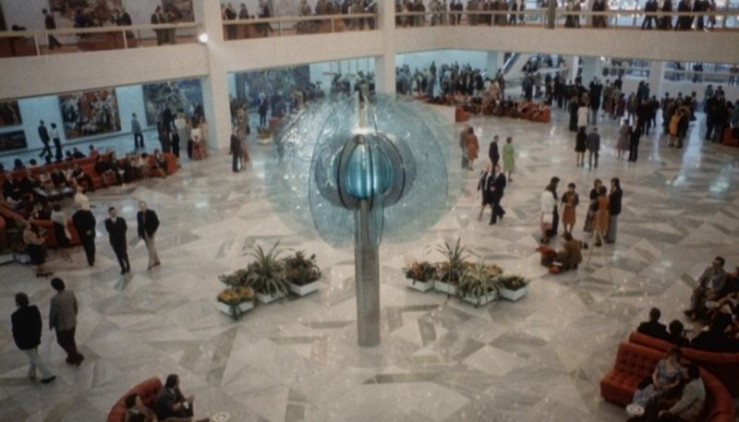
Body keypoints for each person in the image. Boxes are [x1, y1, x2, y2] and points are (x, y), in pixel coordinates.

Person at [11, 292, 56, 384]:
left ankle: (48, 375)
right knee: (34, 356)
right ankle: (31, 374)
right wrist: (38, 335)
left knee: (35, 358)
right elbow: (39, 323)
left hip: (25, 342)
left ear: (17, 302)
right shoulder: (34, 309)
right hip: (35, 338)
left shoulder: (15, 315)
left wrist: (19, 343)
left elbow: (16, 332)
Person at [49, 278, 84, 366]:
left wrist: (51, 324)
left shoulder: (55, 299)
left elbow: (53, 313)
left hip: (62, 325)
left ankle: (77, 356)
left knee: (62, 341)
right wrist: (74, 315)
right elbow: (75, 305)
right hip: (72, 321)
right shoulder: (70, 293)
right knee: (71, 340)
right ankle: (71, 358)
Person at [105, 206, 130, 274]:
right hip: (114, 241)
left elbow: (125, 228)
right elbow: (109, 230)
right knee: (118, 255)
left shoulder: (121, 220)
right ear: (109, 213)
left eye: (114, 212)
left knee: (124, 253)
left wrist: (120, 234)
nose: (113, 214)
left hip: (122, 240)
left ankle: (128, 265)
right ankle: (122, 268)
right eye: (112, 213)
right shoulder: (107, 222)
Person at [137, 201, 161, 270]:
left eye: (143, 206)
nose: (142, 208)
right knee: (150, 248)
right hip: (144, 234)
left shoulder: (151, 212)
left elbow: (157, 222)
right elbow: (139, 225)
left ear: (146, 206)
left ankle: (150, 263)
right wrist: (140, 234)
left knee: (151, 249)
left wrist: (153, 231)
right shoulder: (139, 214)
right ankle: (157, 261)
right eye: (141, 207)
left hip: (151, 233)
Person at [72, 202, 96, 267]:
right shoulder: (88, 212)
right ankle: (92, 258)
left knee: (86, 247)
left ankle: (90, 260)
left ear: (75, 208)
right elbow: (93, 221)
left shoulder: (74, 216)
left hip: (82, 234)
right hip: (90, 233)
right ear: (81, 206)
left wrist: (84, 231)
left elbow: (76, 226)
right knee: (92, 245)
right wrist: (90, 229)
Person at [540, 177, 559, 244]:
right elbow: (552, 203)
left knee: (544, 224)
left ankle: (544, 236)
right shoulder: (551, 194)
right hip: (549, 211)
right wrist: (555, 202)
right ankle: (546, 237)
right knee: (547, 224)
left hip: (544, 210)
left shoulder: (544, 193)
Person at [606, 177, 622, 243]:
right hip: (611, 208)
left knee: (613, 224)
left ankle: (611, 238)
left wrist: (609, 196)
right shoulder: (613, 189)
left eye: (612, 182)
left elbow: (613, 198)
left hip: (614, 209)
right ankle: (608, 235)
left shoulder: (618, 191)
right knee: (609, 223)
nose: (611, 183)